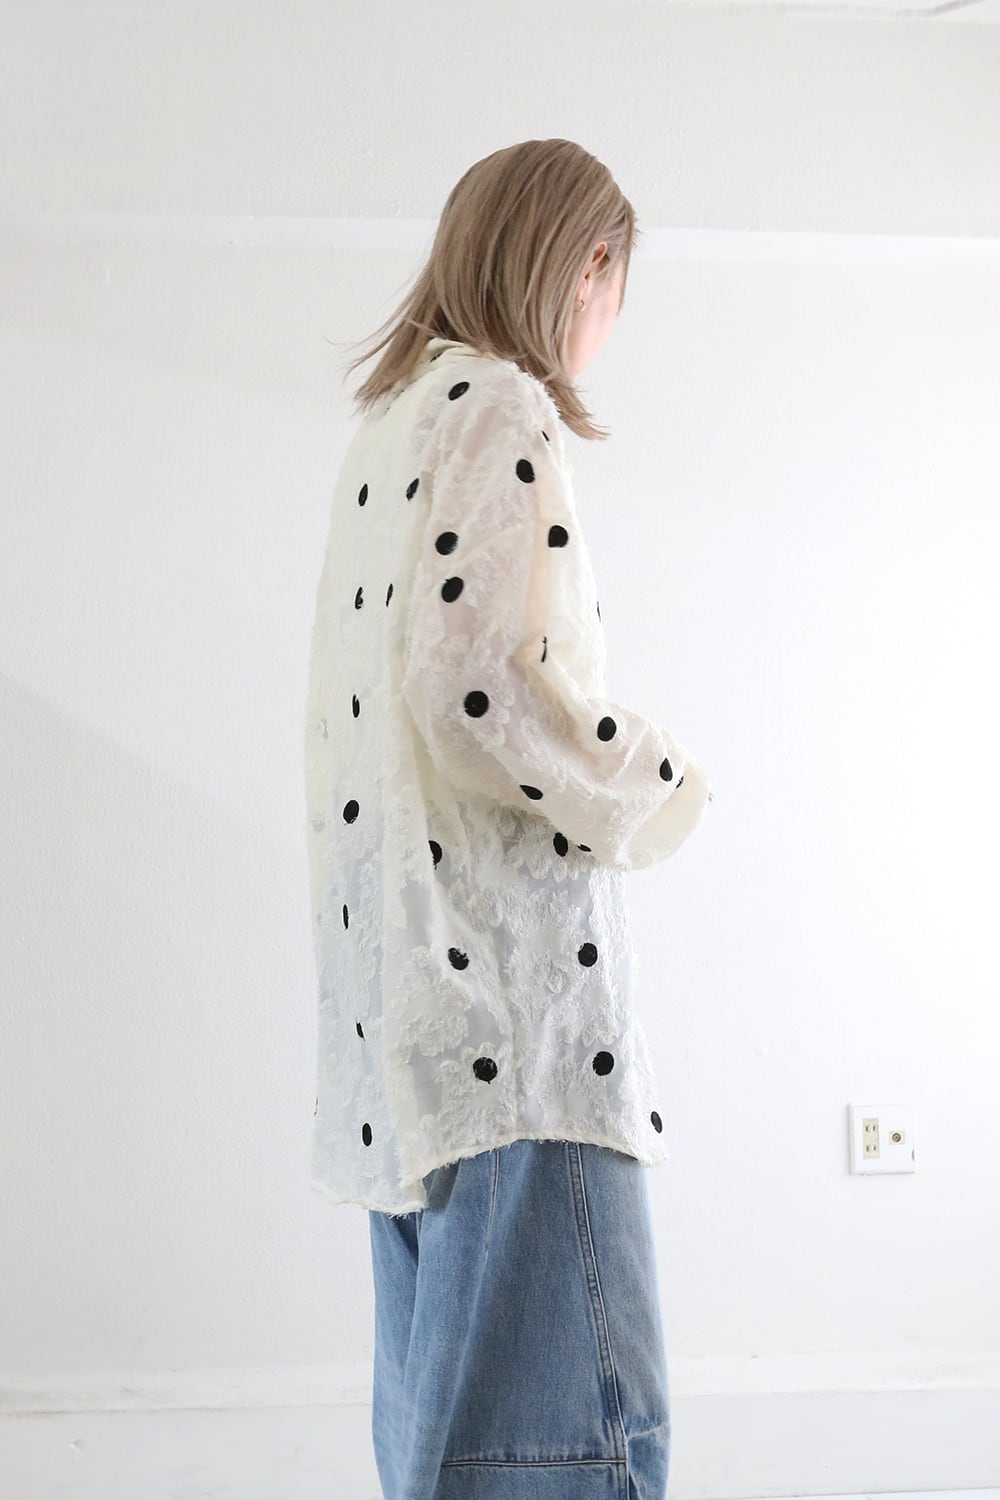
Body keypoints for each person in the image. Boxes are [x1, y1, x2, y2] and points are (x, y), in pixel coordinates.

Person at [304, 138, 714, 1500]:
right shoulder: (497, 403)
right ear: (584, 265)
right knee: (576, 1450)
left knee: (453, 1447)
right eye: (616, 285)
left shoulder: (394, 424)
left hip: (413, 1030)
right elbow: (471, 685)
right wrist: (650, 784)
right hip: (516, 1033)